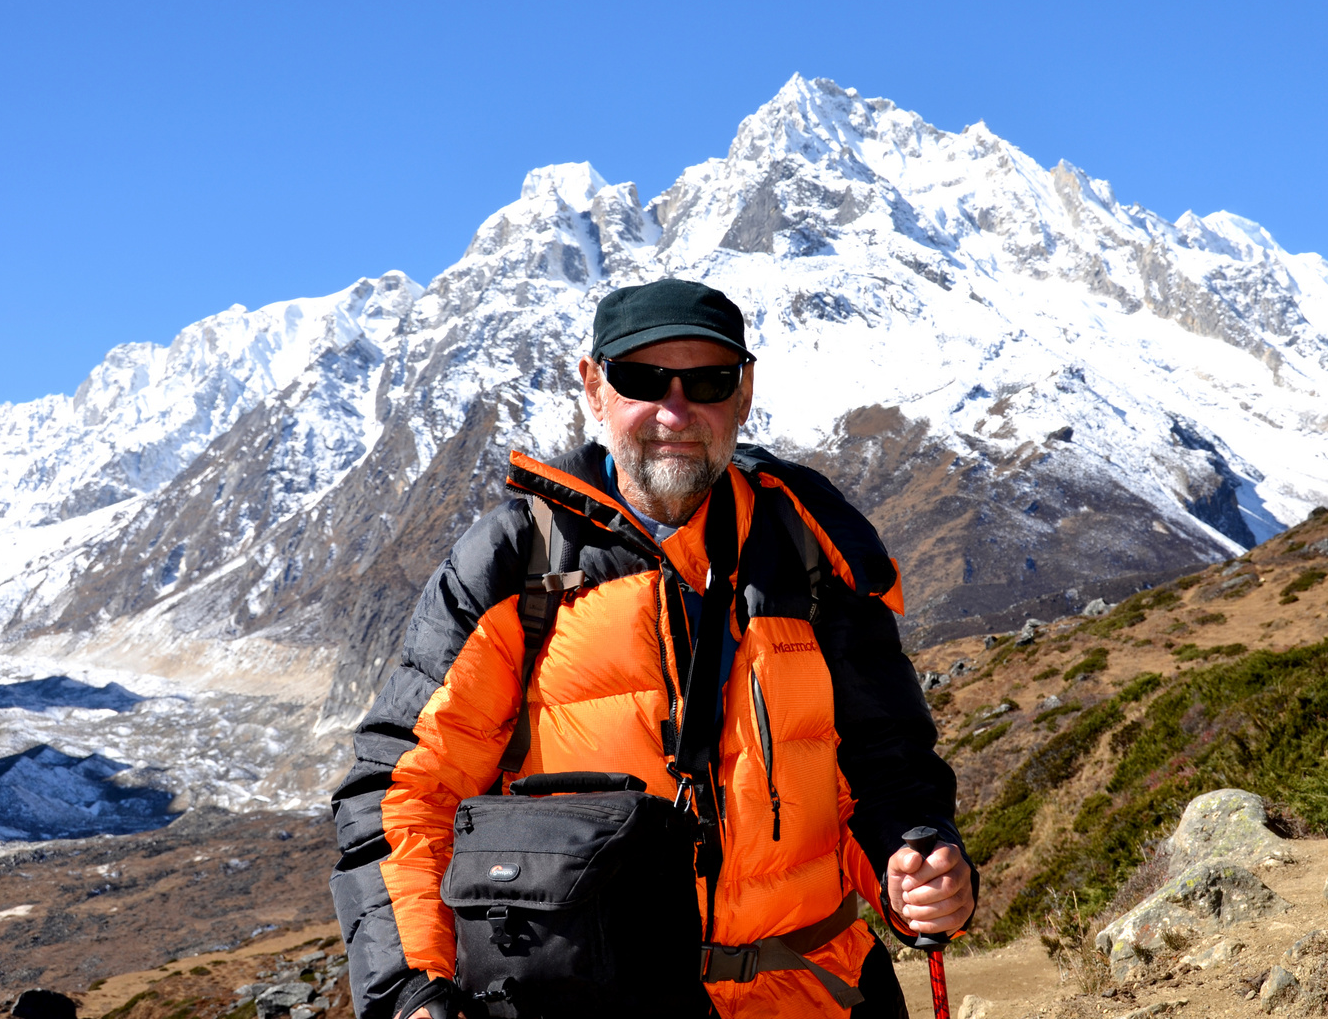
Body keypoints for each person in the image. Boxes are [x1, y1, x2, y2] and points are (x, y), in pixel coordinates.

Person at [330, 279, 976, 1019]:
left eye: (707, 380)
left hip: (813, 992)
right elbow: (405, 793)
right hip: (583, 1002)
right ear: (593, 387)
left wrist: (917, 862)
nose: (675, 412)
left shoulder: (810, 550)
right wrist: (413, 986)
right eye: (642, 380)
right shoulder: (516, 561)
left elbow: (887, 772)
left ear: (743, 391)